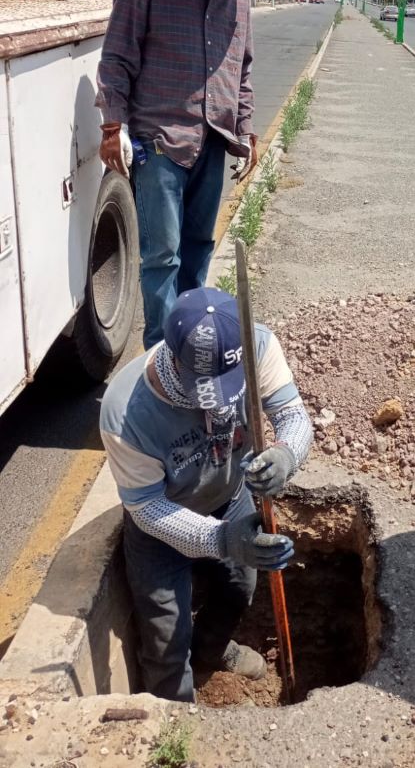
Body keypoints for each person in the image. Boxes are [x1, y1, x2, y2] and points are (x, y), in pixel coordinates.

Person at [100, 287, 312, 702]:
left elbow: (292, 416)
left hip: (230, 498)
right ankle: (175, 720)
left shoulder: (258, 347)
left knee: (240, 589)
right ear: (173, 358)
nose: (216, 407)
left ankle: (211, 651)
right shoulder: (125, 413)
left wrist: (286, 454)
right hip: (160, 523)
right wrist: (222, 540)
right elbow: (147, 508)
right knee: (165, 641)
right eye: (203, 390)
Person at [95, 0, 274, 348]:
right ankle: (161, 356)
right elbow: (118, 54)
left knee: (199, 249)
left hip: (213, 140)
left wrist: (247, 131)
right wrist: (113, 125)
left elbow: (242, 70)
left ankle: (191, 346)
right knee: (162, 256)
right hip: (160, 141)